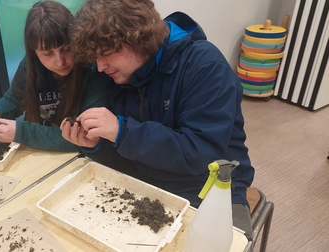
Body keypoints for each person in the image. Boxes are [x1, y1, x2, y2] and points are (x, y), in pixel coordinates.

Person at [60, 0, 255, 239]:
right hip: (148, 182)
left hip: (211, 189)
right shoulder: (120, 75)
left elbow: (200, 153)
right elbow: (127, 155)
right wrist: (98, 146)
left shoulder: (205, 66)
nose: (100, 67)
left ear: (137, 38)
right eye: (95, 58)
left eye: (106, 54)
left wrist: (123, 132)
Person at [0, 0, 110, 152]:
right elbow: (14, 99)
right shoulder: (30, 64)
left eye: (66, 49)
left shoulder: (92, 69)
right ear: (34, 52)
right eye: (47, 54)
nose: (60, 62)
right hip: (36, 154)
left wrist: (21, 132)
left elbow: (87, 137)